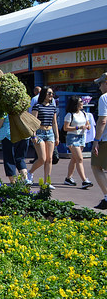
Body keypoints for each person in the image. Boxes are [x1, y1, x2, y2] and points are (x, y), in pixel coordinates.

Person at [27, 86, 59, 188]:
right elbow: (33, 122)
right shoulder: (37, 106)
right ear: (44, 94)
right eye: (49, 93)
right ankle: (30, 172)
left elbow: (54, 123)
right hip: (39, 133)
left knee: (49, 159)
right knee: (42, 158)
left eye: (52, 94)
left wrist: (57, 136)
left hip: (50, 133)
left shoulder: (53, 107)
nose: (51, 95)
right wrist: (33, 135)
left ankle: (47, 182)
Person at [62, 95, 92, 188]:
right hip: (72, 137)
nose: (82, 103)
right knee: (80, 159)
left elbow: (88, 124)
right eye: (81, 102)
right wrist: (78, 127)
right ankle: (84, 180)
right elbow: (65, 128)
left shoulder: (84, 113)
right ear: (76, 104)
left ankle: (68, 178)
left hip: (82, 137)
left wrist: (87, 126)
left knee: (74, 159)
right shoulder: (70, 115)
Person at [0, 114, 29, 183]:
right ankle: (26, 179)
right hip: (23, 135)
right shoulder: (21, 107)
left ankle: (14, 184)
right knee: (20, 159)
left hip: (9, 136)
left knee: (9, 160)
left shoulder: (4, 110)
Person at [91, 73, 107, 209]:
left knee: (96, 166)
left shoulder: (104, 98)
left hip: (105, 139)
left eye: (100, 84)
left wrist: (96, 140)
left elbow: (102, 121)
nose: (100, 87)